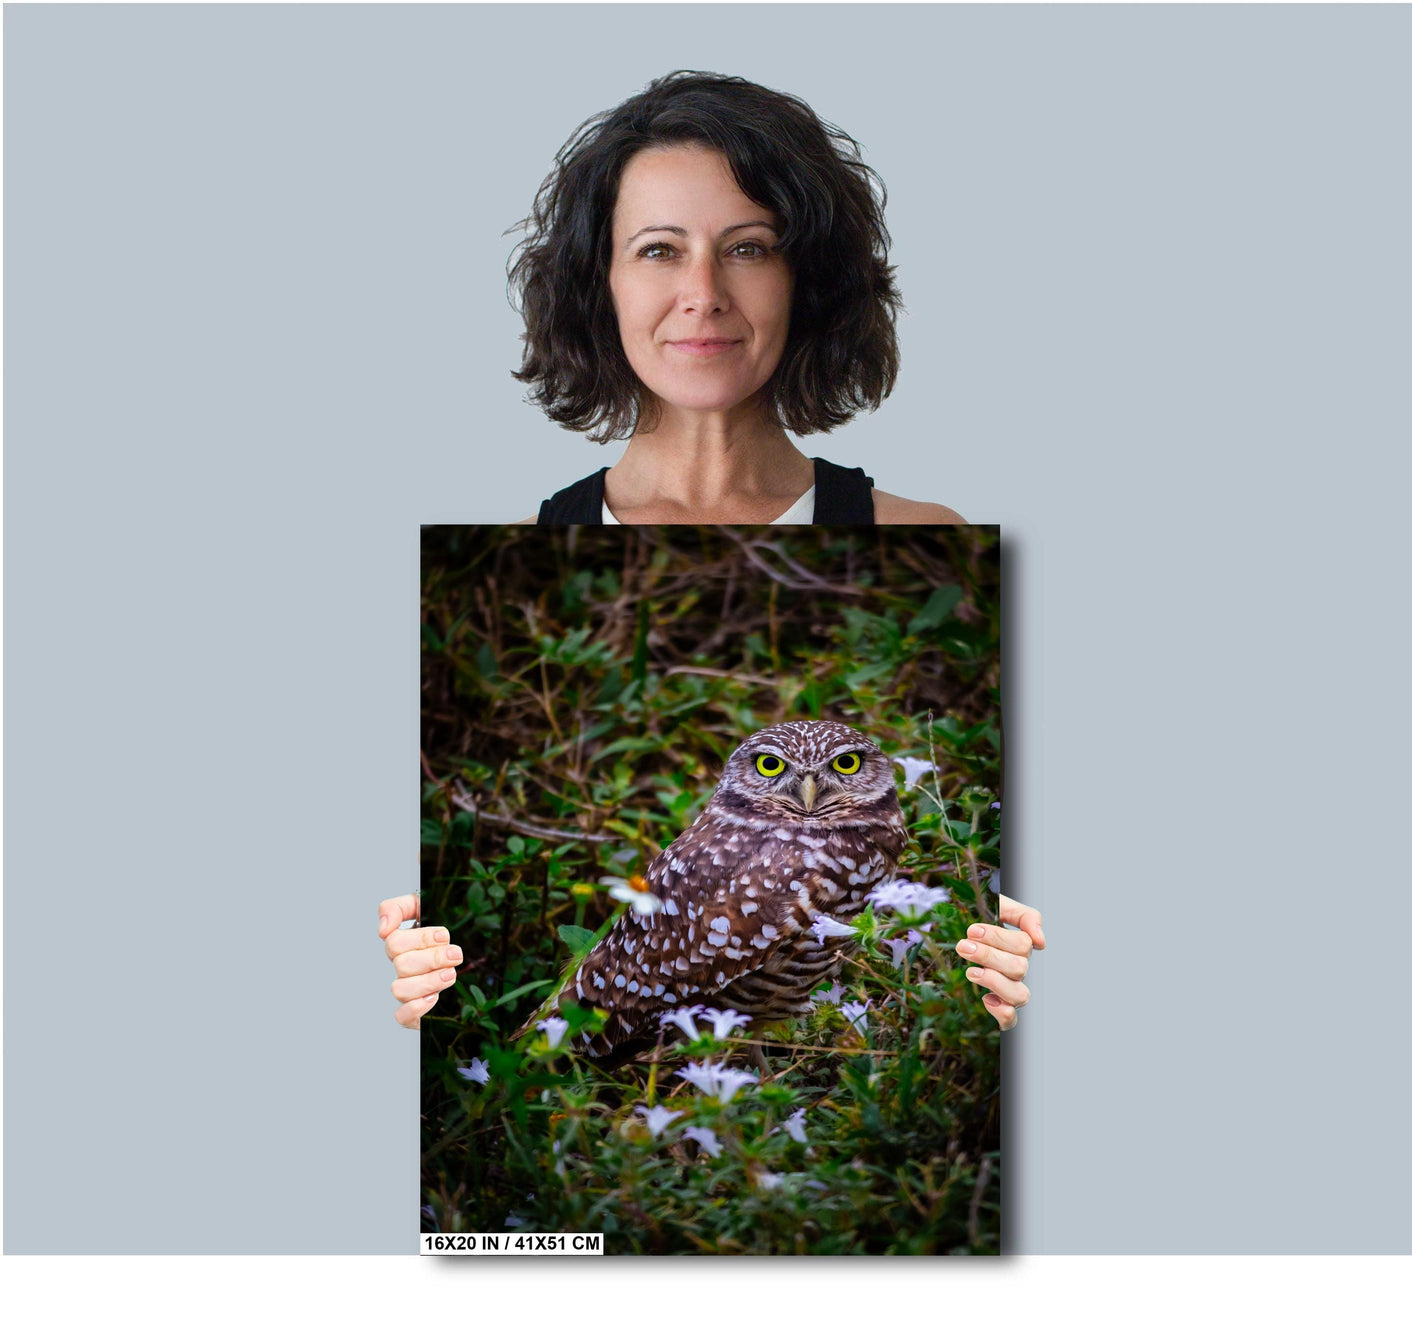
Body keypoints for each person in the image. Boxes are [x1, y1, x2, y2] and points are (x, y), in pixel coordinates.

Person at [388, 71, 1046, 1031]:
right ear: (598, 282)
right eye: (658, 250)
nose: (702, 294)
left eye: (749, 248)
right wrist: (402, 996)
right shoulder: (499, 553)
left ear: (806, 280)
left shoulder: (925, 532)